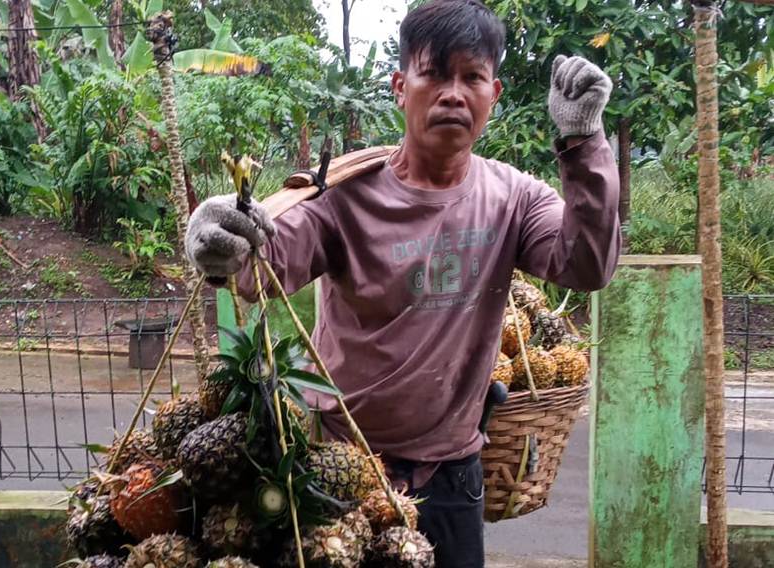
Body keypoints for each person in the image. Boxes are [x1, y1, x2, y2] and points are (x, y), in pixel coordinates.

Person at [184, 0, 620, 565]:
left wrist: (584, 143)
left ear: (494, 94)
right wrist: (220, 237)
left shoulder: (514, 198)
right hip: (341, 471)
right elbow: (261, 265)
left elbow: (585, 266)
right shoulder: (346, 194)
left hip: (452, 476)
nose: (453, 94)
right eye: (433, 74)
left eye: (472, 77)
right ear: (399, 87)